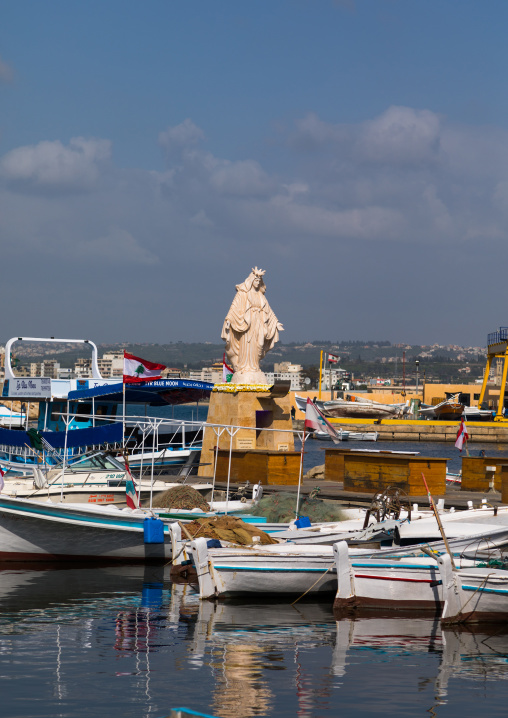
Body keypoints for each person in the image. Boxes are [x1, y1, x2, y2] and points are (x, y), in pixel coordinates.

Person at [221, 267, 283, 384]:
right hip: (247, 324)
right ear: (251, 280)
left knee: (259, 344)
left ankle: (255, 367)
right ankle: (245, 368)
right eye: (255, 280)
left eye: (259, 281)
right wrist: (229, 319)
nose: (257, 283)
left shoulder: (261, 295)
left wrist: (275, 323)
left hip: (259, 323)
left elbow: (268, 310)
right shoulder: (243, 293)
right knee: (247, 344)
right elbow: (234, 306)